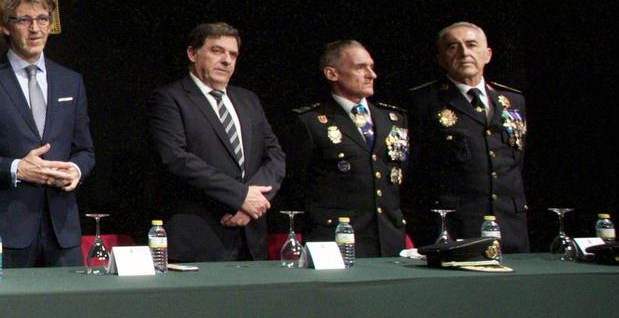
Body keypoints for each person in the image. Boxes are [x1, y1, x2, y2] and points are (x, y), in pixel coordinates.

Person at [0, 0, 95, 268]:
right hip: (5, 230)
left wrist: (76, 170)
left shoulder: (71, 81)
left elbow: (85, 150)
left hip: (63, 232)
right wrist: (16, 168)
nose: (36, 28)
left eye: (43, 19)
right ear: (6, 26)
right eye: (24, 20)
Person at [145, 22, 286, 262]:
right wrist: (240, 196)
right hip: (201, 236)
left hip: (251, 236)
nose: (226, 60)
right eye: (217, 51)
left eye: (233, 54)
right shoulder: (170, 98)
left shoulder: (248, 99)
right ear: (192, 53)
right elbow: (176, 159)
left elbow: (275, 155)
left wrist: (253, 202)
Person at [406, 21, 529, 251]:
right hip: (456, 224)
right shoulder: (424, 101)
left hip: (510, 223)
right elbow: (415, 169)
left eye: (472, 44)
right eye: (453, 46)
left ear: (488, 54)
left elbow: (516, 161)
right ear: (441, 59)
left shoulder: (513, 100)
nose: (464, 52)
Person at [282, 40, 409, 256]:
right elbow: (294, 186)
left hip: (388, 238)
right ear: (332, 74)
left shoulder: (394, 119)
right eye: (361, 67)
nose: (372, 74)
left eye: (371, 66)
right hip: (334, 240)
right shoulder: (311, 122)